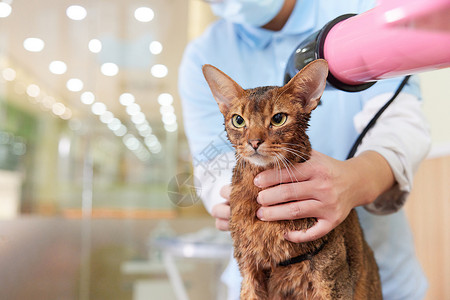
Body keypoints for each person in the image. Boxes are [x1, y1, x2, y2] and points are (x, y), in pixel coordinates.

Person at [178, 0, 430, 299]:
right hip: (264, 280)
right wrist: (234, 197)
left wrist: (356, 181)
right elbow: (211, 157)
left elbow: (401, 124)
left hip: (372, 275)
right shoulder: (203, 52)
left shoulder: (361, 8)